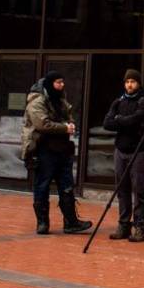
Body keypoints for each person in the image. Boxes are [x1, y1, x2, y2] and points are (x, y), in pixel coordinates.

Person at [21, 70, 92, 235]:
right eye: (58, 82)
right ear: (50, 83)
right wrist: (65, 127)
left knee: (66, 186)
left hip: (62, 150)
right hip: (43, 150)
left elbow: (68, 117)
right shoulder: (37, 101)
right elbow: (42, 124)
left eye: (62, 82)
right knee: (42, 186)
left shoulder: (60, 100)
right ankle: (43, 223)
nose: (62, 85)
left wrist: (70, 125)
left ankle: (71, 222)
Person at [103, 69, 144, 242]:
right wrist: (123, 120)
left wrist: (120, 120)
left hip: (140, 151)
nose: (129, 84)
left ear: (138, 83)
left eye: (132, 81)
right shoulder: (118, 101)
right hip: (121, 150)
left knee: (139, 189)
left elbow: (138, 119)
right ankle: (123, 225)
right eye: (127, 82)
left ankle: (140, 227)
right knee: (122, 189)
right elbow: (107, 123)